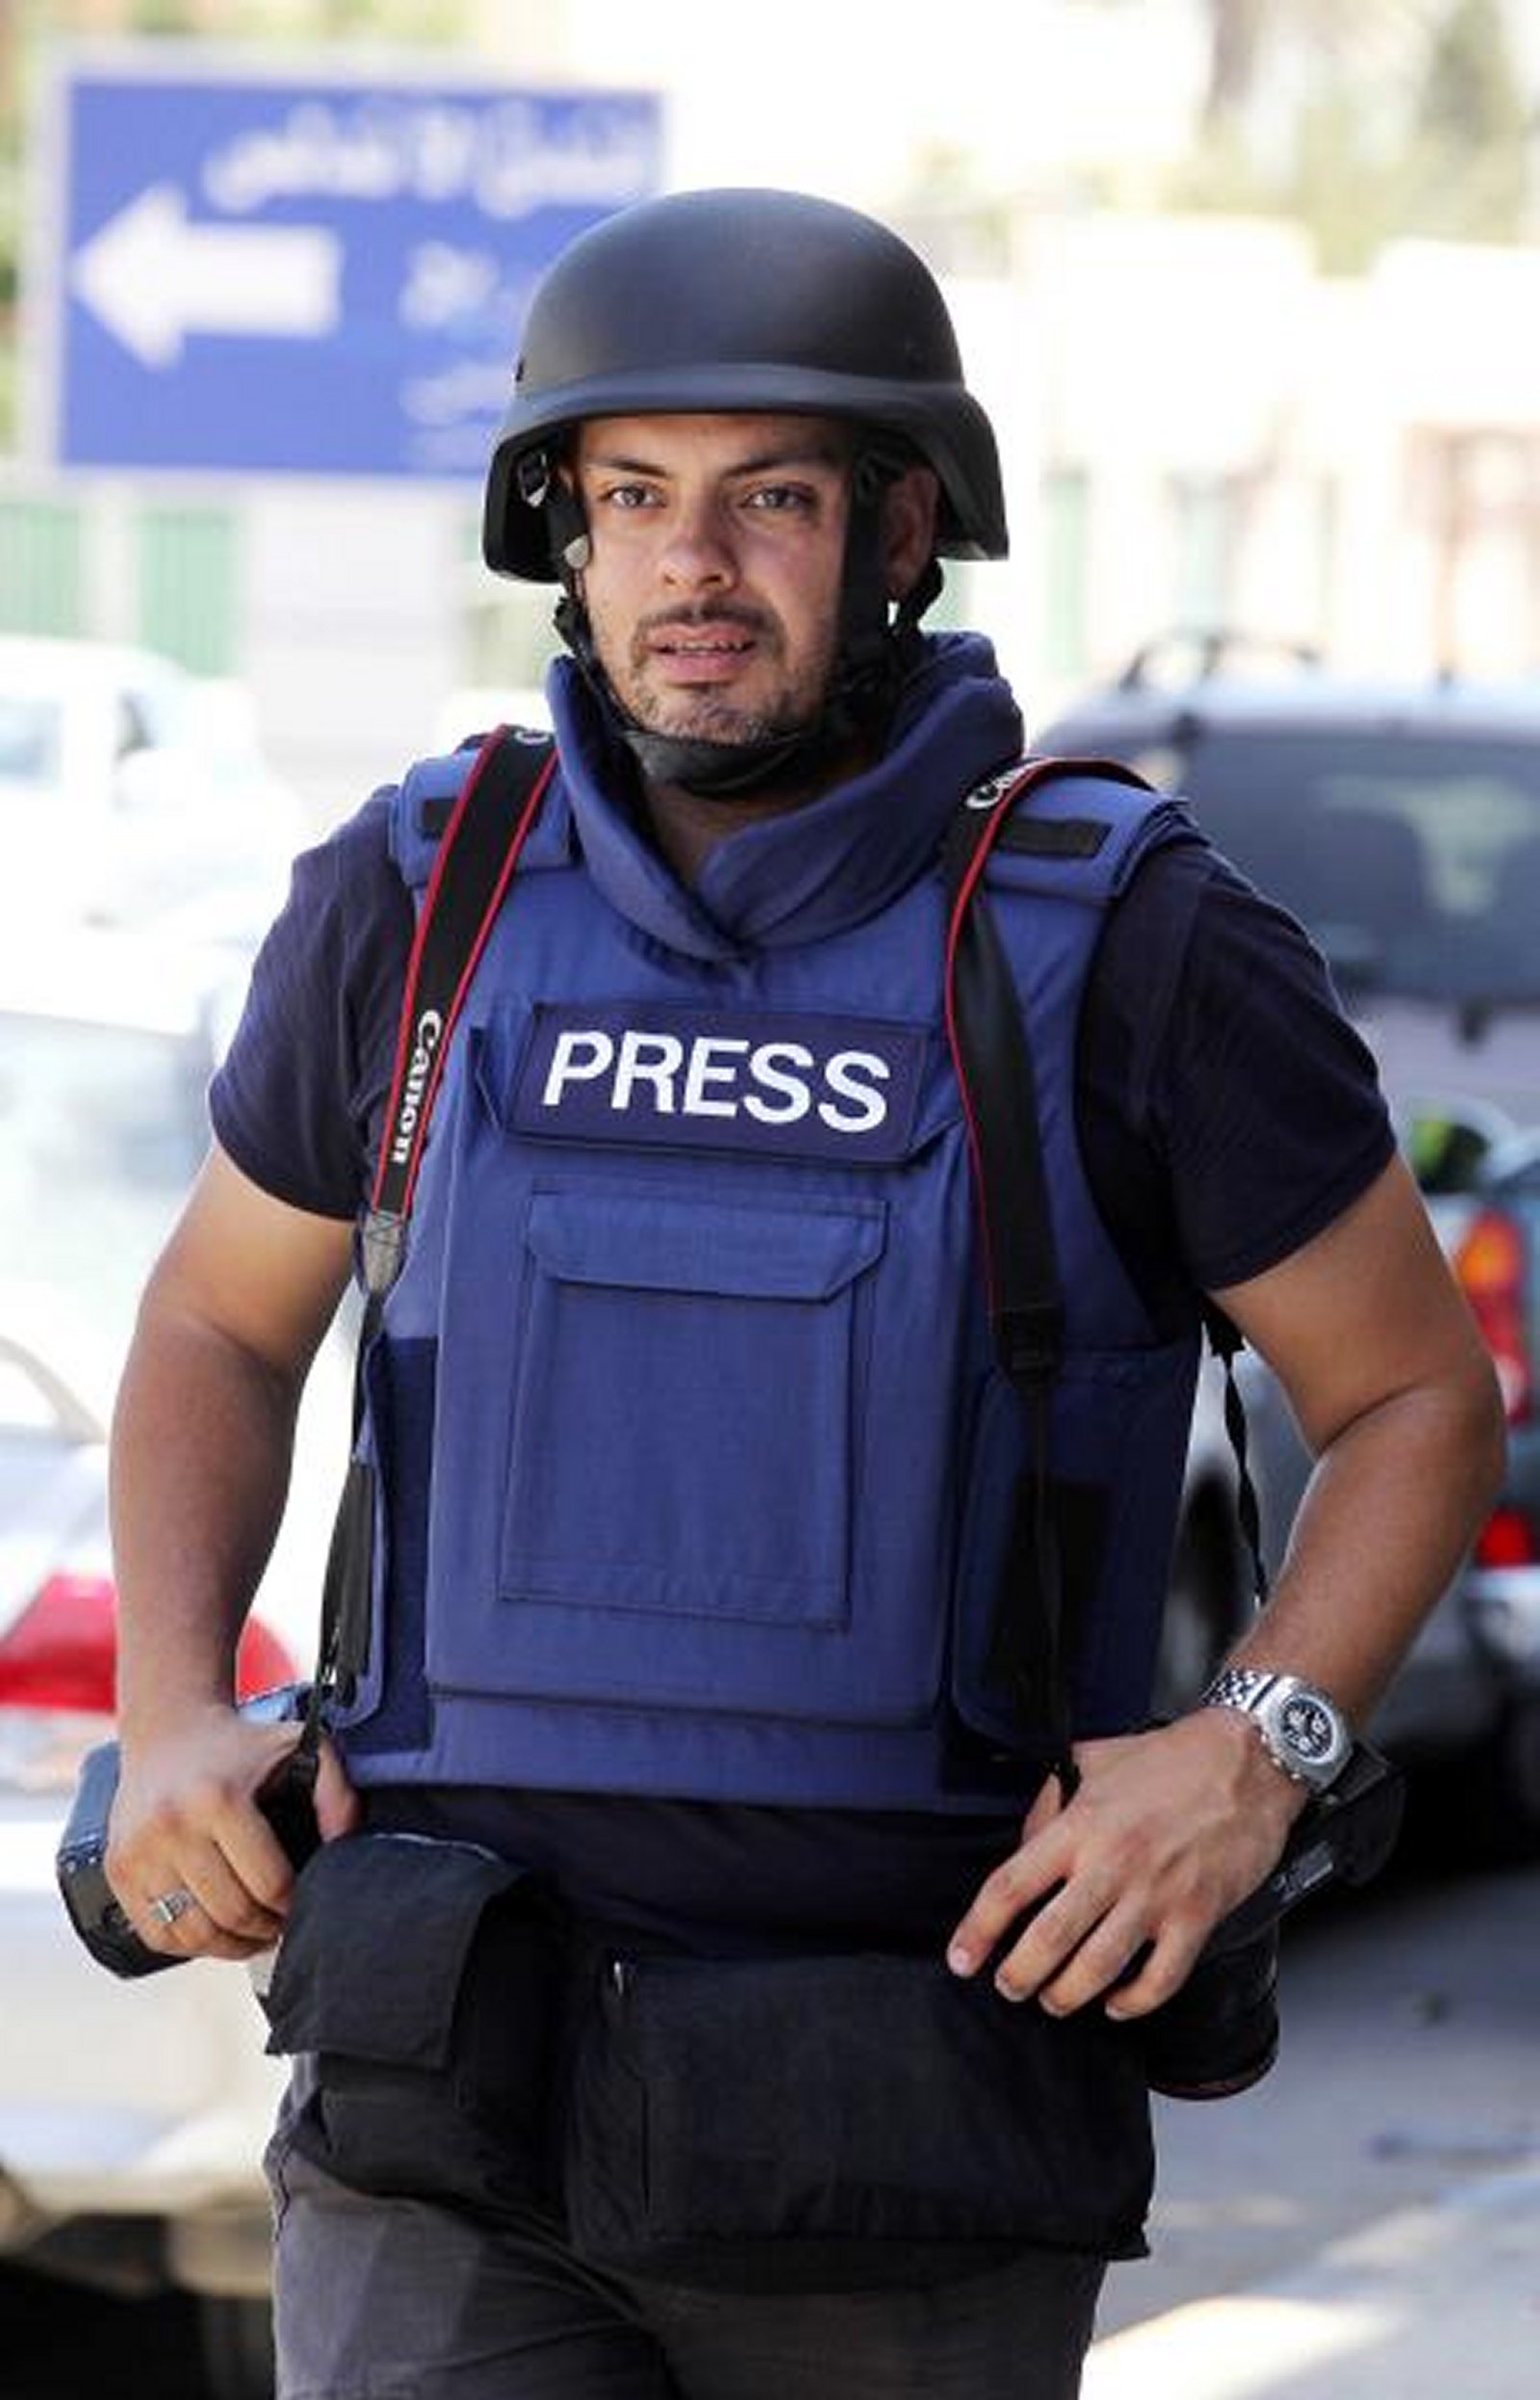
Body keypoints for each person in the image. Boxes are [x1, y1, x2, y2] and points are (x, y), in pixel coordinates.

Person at [105, 188, 1503, 2400]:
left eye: (765, 497)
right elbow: (212, 1320)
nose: (689, 567)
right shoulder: (423, 891)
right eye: (631, 495)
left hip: (907, 2110)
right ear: (556, 528)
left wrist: (1257, 1753)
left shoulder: (1129, 938)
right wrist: (172, 1701)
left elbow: (1416, 1398)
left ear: (898, 525)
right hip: (440, 2086)